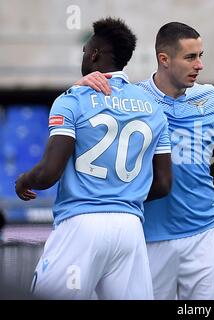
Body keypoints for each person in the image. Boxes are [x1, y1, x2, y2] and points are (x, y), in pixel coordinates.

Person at [78, 21, 214, 300]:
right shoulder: (132, 99)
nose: (199, 65)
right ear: (164, 60)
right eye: (190, 57)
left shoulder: (213, 99)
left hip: (204, 236)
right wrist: (82, 85)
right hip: (150, 238)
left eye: (201, 56)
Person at [15, 17, 172, 299]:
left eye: (85, 50)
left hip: (81, 225)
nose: (84, 56)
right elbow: (163, 184)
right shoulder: (153, 108)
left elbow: (49, 173)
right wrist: (121, 193)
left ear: (94, 54)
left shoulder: (73, 99)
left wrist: (24, 180)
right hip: (129, 229)